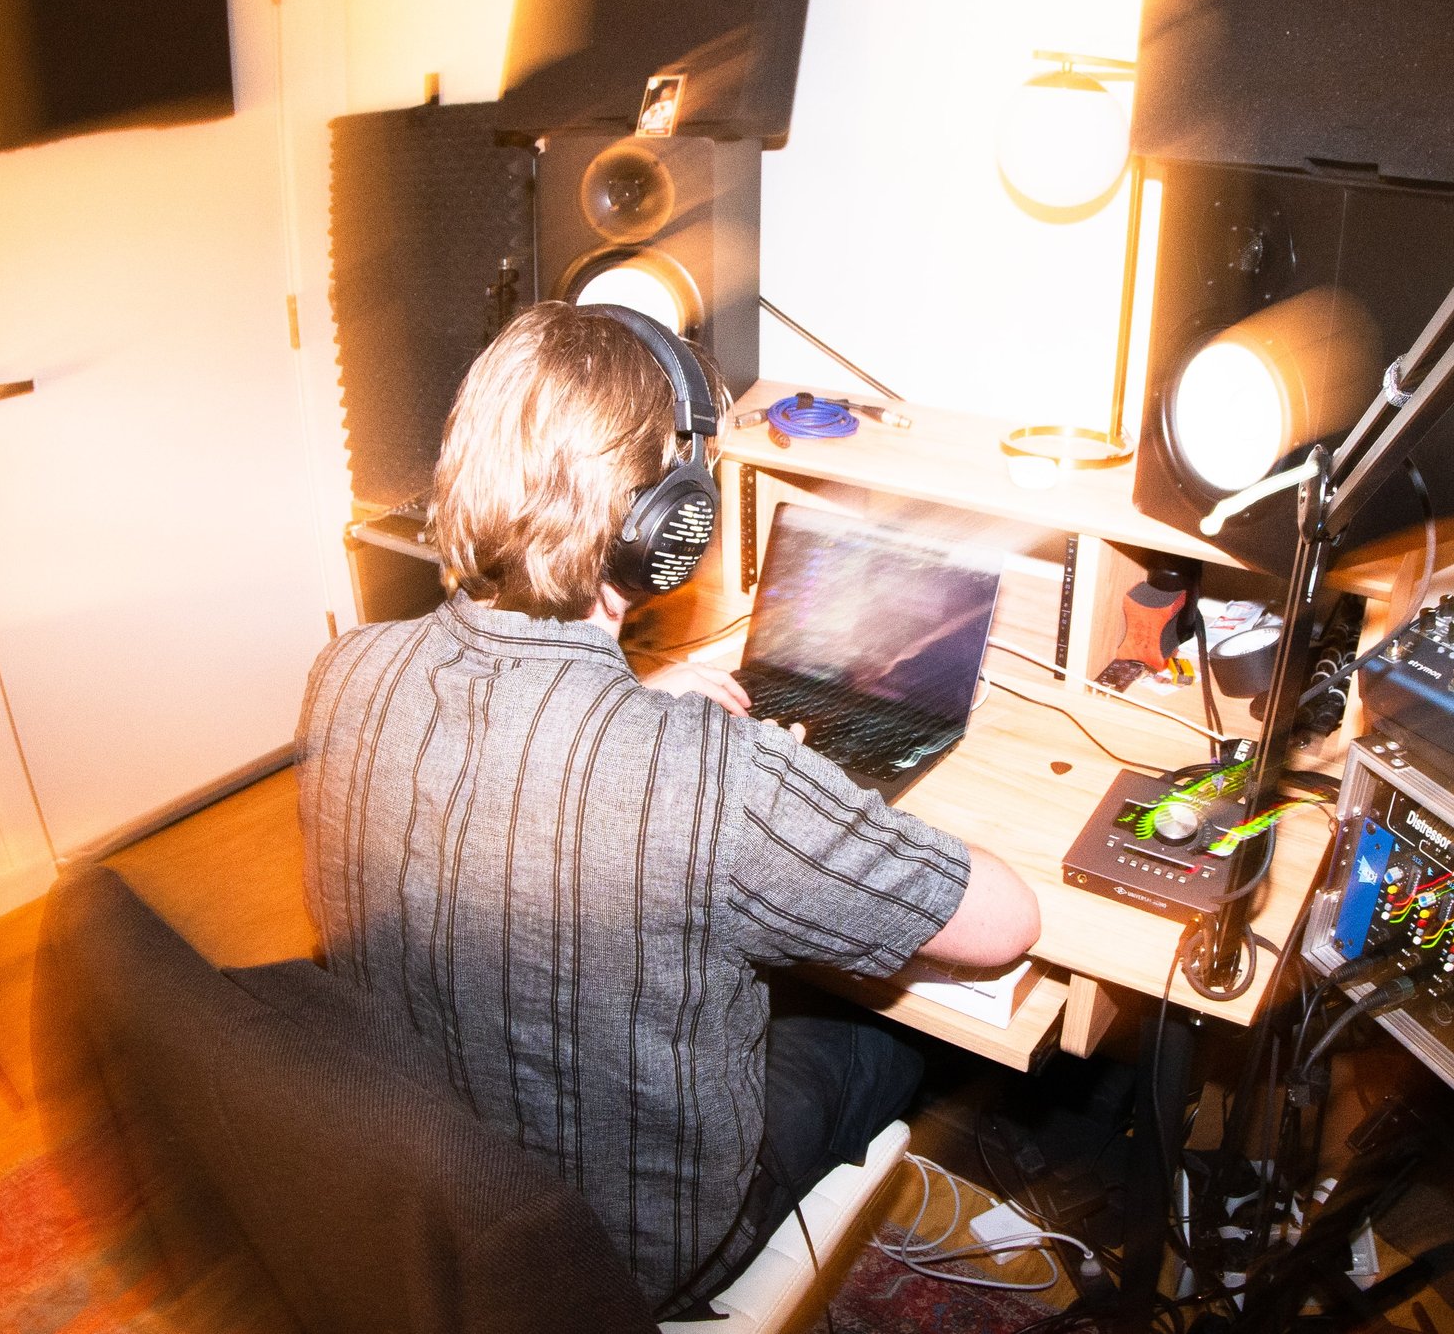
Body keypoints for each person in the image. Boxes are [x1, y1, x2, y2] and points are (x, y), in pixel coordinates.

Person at [296, 302, 1040, 1319]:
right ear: (668, 521)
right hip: (634, 1255)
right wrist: (779, 790)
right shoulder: (708, 776)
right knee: (892, 1035)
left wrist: (642, 716)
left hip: (431, 1187)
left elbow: (522, 762)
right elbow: (1004, 926)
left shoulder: (344, 672)